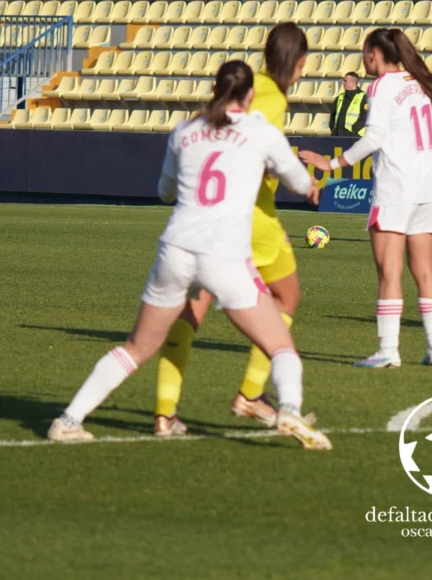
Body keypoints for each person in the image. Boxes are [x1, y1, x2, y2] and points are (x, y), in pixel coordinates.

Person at [48, 61, 329, 449]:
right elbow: (298, 181)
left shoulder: (186, 130)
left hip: (176, 249)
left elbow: (165, 191)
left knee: (137, 347)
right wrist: (308, 185)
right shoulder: (261, 132)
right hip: (224, 254)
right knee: (279, 344)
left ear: (216, 89)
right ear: (250, 96)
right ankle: (291, 410)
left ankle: (68, 419)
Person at [152, 23, 310, 437]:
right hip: (248, 216)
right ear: (301, 62)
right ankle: (252, 394)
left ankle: (165, 411)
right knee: (287, 296)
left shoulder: (249, 85)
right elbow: (255, 146)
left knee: (192, 309)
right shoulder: (272, 100)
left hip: (201, 218)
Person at [299, 28, 432, 369]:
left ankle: (389, 351)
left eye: (365, 52)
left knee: (388, 273)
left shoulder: (381, 87)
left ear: (376, 54)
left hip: (394, 189)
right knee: (424, 271)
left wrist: (330, 163)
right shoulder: (420, 83)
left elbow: (373, 138)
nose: (363, 59)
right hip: (424, 190)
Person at [331, 72, 367, 136]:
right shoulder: (340, 97)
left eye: (345, 81)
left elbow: (364, 117)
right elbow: (333, 114)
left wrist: (354, 130)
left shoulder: (363, 97)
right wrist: (332, 127)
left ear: (352, 82)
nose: (343, 83)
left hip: (353, 136)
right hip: (337, 135)